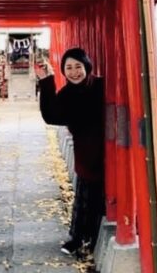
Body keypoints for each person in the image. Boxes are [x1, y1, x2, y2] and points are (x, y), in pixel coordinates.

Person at [35, 48, 105, 256]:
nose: (74, 72)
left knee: (105, 197)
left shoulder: (101, 85)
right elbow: (51, 116)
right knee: (84, 195)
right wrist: (47, 82)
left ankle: (94, 238)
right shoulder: (66, 94)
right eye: (69, 68)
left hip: (110, 149)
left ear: (87, 67)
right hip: (86, 150)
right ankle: (77, 237)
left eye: (78, 67)